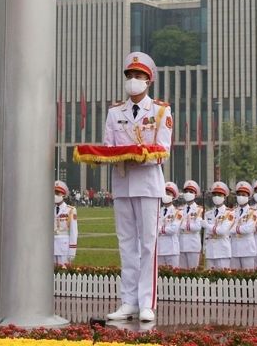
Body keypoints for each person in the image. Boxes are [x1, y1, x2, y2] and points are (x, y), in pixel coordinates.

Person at [104, 50, 171, 323]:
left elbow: (163, 148)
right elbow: (108, 146)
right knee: (126, 244)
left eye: (139, 76)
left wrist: (139, 154)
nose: (133, 80)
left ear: (149, 80)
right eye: (130, 75)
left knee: (148, 244)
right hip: (122, 182)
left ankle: (146, 302)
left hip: (147, 182)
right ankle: (128, 301)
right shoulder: (114, 112)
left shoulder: (160, 111)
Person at [203, 181, 233, 270]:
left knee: (223, 279)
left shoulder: (229, 213)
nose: (216, 197)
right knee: (210, 279)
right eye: (215, 195)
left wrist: (208, 226)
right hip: (210, 250)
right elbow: (206, 234)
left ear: (224, 197)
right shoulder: (208, 213)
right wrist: (204, 247)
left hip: (223, 250)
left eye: (219, 195)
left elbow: (222, 231)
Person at [230, 180, 257, 269]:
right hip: (234, 248)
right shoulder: (232, 211)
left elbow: (249, 229)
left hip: (247, 249)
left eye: (244, 195)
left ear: (249, 197)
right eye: (239, 195)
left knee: (248, 277)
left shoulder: (253, 212)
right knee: (234, 278)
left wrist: (234, 229)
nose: (241, 197)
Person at [179, 180, 204, 269]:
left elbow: (197, 227)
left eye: (191, 192)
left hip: (193, 244)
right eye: (186, 192)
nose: (188, 193)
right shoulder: (180, 209)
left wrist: (183, 226)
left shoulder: (199, 209)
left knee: (193, 272)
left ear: (195, 194)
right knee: (181, 273)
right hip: (181, 244)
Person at [157, 181, 183, 268]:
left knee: (173, 275)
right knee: (160, 276)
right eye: (164, 193)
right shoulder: (157, 211)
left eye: (168, 193)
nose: (166, 195)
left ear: (173, 197)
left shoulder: (177, 212)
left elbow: (173, 230)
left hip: (171, 249)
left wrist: (160, 229)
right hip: (159, 249)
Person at [54, 180, 78, 266]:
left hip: (64, 247)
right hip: (50, 247)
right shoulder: (48, 209)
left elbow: (73, 232)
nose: (55, 195)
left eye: (57, 193)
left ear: (63, 194)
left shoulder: (70, 210)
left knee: (63, 273)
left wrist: (72, 251)